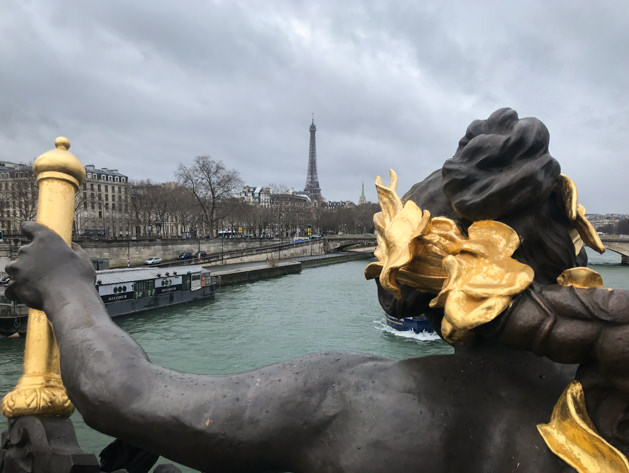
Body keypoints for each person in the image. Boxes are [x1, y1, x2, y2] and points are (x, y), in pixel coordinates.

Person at [6, 109, 629, 472]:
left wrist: (67, 285)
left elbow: (122, 394)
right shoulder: (602, 389)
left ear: (412, 275)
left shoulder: (360, 396)